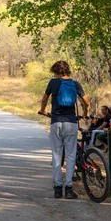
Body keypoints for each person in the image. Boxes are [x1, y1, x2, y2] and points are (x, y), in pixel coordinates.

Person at [38, 60, 90, 199]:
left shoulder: (53, 83)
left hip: (56, 123)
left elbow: (44, 99)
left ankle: (57, 188)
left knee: (56, 155)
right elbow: (86, 102)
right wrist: (85, 113)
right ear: (67, 70)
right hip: (71, 123)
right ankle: (68, 189)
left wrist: (42, 110)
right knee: (71, 155)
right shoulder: (75, 83)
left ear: (55, 71)